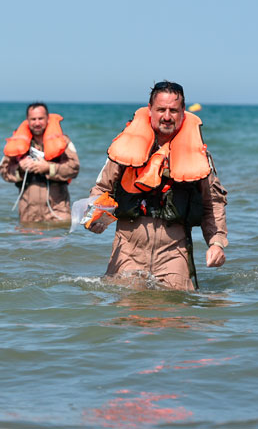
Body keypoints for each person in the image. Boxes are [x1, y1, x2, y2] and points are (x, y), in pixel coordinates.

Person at [86, 81, 228, 291]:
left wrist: (216, 243)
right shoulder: (125, 149)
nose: (167, 116)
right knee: (126, 317)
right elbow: (101, 188)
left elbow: (213, 203)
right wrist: (95, 215)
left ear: (183, 113)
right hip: (127, 250)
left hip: (174, 253)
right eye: (161, 109)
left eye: (174, 110)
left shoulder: (198, 156)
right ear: (150, 110)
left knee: (175, 317)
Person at [0, 102, 80, 223]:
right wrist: (20, 168)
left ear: (48, 118)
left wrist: (48, 168)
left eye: (40, 118)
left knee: (62, 240)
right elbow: (4, 171)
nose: (37, 123)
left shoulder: (62, 141)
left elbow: (74, 168)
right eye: (33, 119)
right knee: (27, 240)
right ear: (27, 120)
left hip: (58, 212)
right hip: (29, 214)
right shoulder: (17, 142)